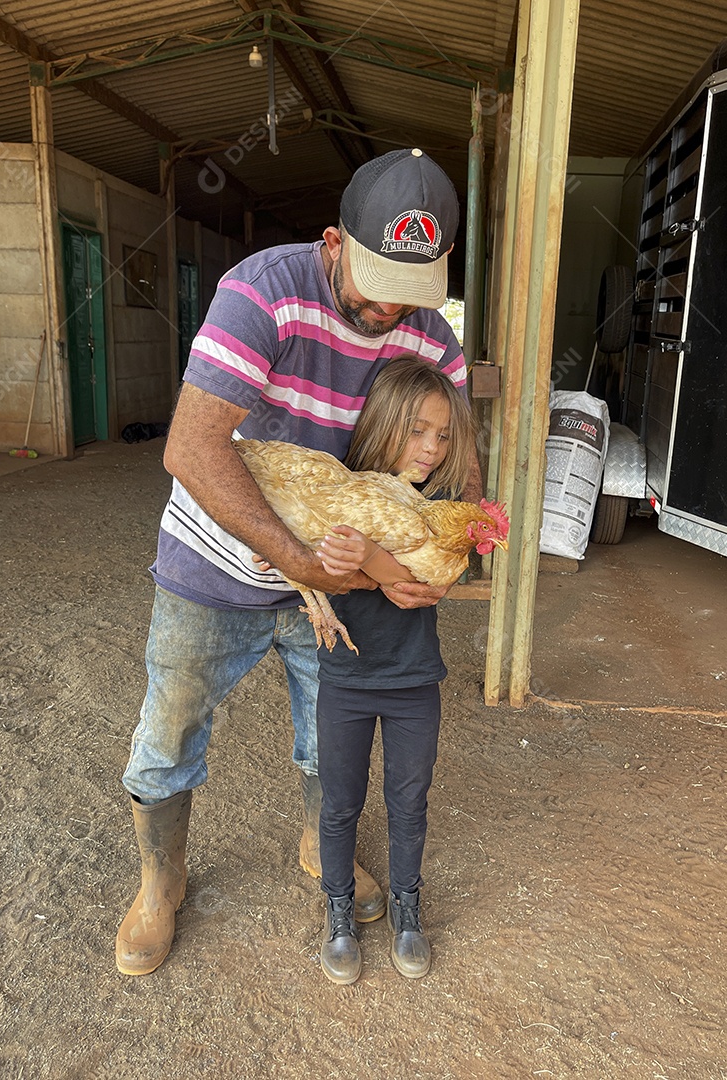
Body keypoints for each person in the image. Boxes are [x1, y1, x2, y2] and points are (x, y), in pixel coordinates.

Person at [115, 147, 483, 976]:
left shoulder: (430, 335)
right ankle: (159, 883)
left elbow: (460, 463)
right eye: (377, 277)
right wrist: (301, 564)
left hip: (346, 573)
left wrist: (421, 554)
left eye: (414, 286)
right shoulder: (263, 291)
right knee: (170, 728)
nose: (394, 305)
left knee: (332, 735)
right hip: (219, 565)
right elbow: (193, 447)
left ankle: (324, 851)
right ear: (332, 241)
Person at [311, 357, 476, 985]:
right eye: (417, 431)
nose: (431, 448)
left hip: (414, 683)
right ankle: (338, 908)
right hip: (346, 681)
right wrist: (347, 559)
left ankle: (408, 906)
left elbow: (418, 584)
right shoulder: (342, 494)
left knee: (409, 800)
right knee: (339, 803)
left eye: (443, 436)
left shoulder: (437, 512)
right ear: (383, 423)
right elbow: (305, 563)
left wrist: (374, 559)